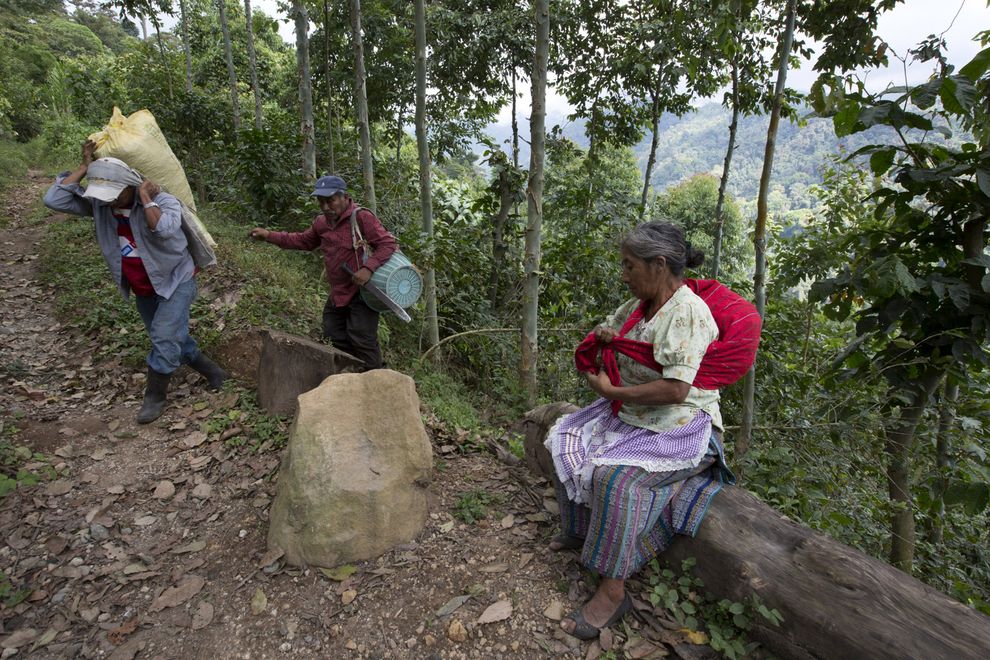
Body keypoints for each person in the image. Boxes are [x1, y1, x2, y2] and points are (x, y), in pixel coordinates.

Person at [545, 222, 734, 640]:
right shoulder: (638, 305)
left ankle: (613, 594)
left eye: (630, 266)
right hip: (634, 414)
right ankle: (580, 532)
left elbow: (676, 388)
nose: (624, 274)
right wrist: (605, 338)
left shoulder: (686, 312)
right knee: (567, 439)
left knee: (616, 480)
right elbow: (609, 334)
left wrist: (614, 390)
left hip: (682, 426)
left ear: (659, 264)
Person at [43, 140, 227, 424]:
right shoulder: (101, 206)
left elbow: (164, 229)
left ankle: (155, 396)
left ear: (130, 185)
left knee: (165, 337)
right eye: (104, 196)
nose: (110, 200)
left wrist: (146, 197)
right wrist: (84, 166)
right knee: (170, 336)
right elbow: (54, 199)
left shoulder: (163, 200)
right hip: (143, 287)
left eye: (115, 194)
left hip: (177, 280)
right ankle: (211, 370)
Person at [249, 175, 397, 371]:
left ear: (344, 197)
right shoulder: (321, 223)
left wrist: (368, 268)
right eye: (321, 202)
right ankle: (356, 373)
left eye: (331, 201)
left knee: (361, 336)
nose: (326, 207)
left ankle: (376, 379)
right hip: (338, 291)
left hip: (362, 291)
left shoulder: (361, 217)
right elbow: (303, 241)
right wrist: (269, 236)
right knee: (333, 333)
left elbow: (388, 244)